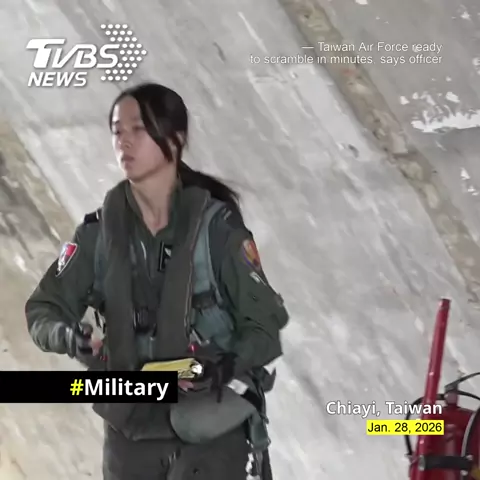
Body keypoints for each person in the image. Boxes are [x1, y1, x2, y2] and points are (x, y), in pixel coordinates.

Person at [24, 82, 289, 480]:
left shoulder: (217, 231)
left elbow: (265, 329)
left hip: (209, 426)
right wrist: (69, 337)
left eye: (138, 129)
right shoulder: (98, 236)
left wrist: (226, 364)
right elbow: (43, 309)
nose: (124, 142)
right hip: (130, 431)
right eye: (117, 131)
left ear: (175, 139)